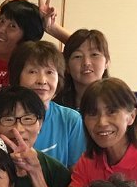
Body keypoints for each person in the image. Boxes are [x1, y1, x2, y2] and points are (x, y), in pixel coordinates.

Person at [55, 28, 137, 146]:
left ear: (107, 62)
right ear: (67, 66)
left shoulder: (131, 100)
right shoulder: (56, 108)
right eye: (78, 56)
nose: (86, 62)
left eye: (94, 54)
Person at [9, 40, 86, 168]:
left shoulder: (71, 120)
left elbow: (78, 174)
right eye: (32, 71)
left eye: (49, 72)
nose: (42, 81)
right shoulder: (4, 118)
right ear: (17, 76)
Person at [0, 87, 70, 187]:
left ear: (40, 124)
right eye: (8, 120)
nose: (18, 129)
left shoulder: (56, 171)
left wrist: (34, 171)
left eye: (27, 119)